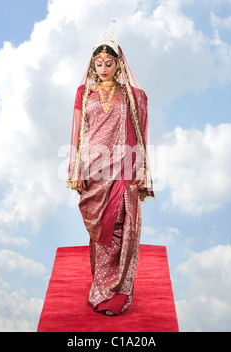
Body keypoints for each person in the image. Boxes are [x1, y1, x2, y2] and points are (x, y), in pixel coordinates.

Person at [67, 21, 155, 316]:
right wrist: (75, 170)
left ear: (118, 65)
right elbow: (77, 132)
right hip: (94, 169)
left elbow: (140, 132)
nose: (103, 68)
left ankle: (117, 292)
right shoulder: (84, 92)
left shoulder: (132, 96)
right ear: (93, 65)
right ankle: (100, 287)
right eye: (98, 63)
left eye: (109, 63)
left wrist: (141, 169)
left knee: (121, 226)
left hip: (123, 168)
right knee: (100, 231)